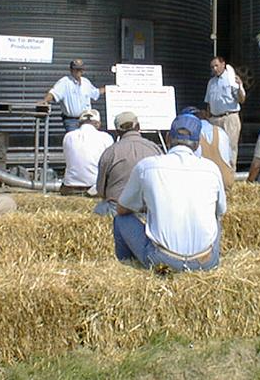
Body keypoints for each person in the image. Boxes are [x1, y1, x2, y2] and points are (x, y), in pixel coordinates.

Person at [113, 114, 226, 272]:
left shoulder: (146, 166)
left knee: (121, 220)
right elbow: (221, 211)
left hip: (163, 261)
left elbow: (122, 209)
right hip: (205, 262)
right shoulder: (212, 168)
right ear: (198, 143)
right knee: (216, 219)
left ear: (167, 138)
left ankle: (127, 268)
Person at [94, 111, 162, 216]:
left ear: (117, 131)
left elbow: (101, 191)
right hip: (149, 209)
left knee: (98, 209)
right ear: (138, 126)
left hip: (116, 209)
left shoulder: (110, 152)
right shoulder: (154, 149)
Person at [40, 59, 105, 132]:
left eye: (80, 69)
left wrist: (110, 89)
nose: (78, 71)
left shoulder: (86, 82)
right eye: (76, 69)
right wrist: (45, 101)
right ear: (71, 70)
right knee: (74, 141)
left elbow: (95, 92)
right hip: (72, 121)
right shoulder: (65, 82)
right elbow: (53, 93)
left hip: (86, 120)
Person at [204, 56, 245, 169]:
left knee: (230, 147)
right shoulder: (211, 82)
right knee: (213, 147)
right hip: (214, 119)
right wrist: (208, 118)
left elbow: (241, 99)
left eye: (216, 66)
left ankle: (230, 174)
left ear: (223, 64)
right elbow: (208, 102)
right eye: (212, 67)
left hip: (229, 117)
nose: (214, 69)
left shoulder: (231, 78)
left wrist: (240, 85)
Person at [180, 106, 234, 192]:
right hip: (225, 182)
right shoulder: (221, 132)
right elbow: (230, 160)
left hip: (205, 184)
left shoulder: (191, 136)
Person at [60, 108, 114, 195]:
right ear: (98, 124)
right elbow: (109, 163)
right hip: (95, 187)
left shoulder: (68, 136)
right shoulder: (106, 137)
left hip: (70, 186)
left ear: (79, 123)